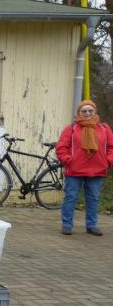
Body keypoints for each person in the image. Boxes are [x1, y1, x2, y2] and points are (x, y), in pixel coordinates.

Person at [57, 99, 113, 236]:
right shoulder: (71, 128)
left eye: (90, 110)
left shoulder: (104, 128)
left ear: (95, 111)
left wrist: (108, 161)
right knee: (71, 197)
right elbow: (61, 147)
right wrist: (68, 160)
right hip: (74, 170)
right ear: (79, 113)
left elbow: (111, 147)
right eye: (84, 111)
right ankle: (67, 225)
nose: (87, 113)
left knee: (93, 198)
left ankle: (91, 225)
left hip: (97, 169)